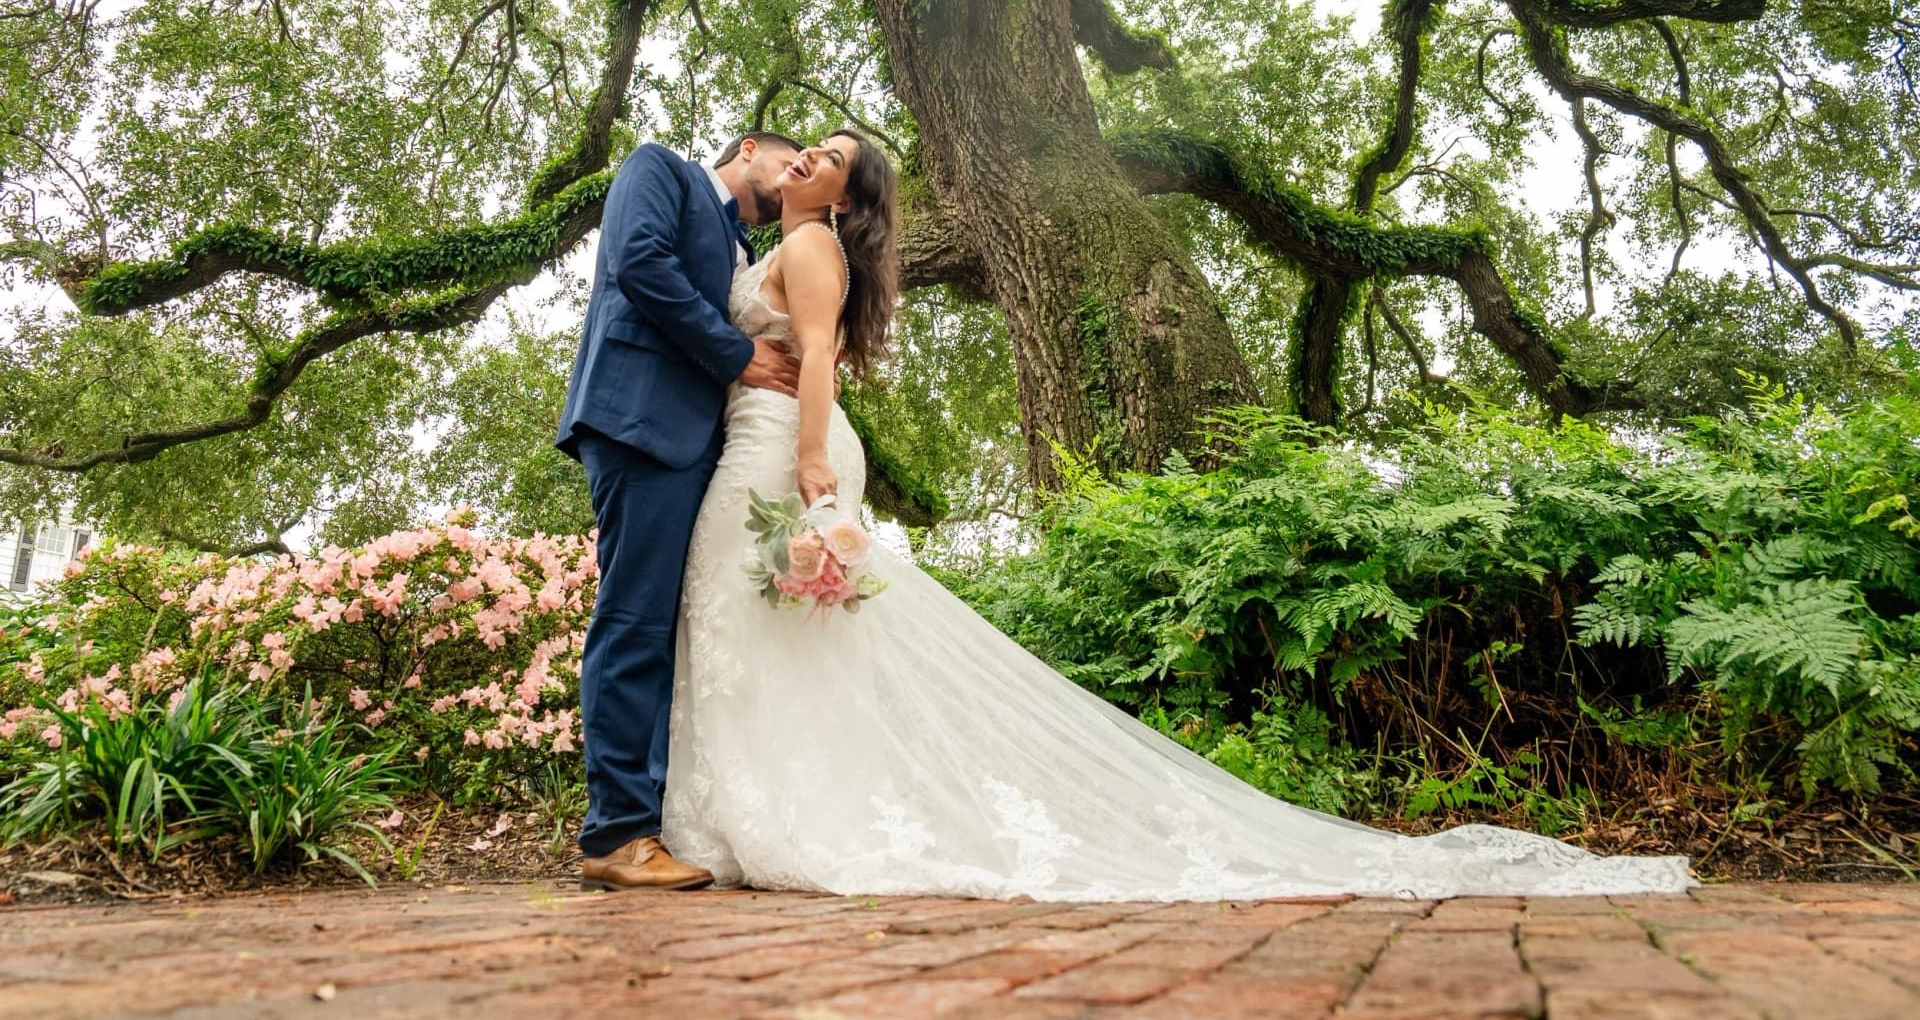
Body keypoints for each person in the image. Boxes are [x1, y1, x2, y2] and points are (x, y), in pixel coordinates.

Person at [659, 128, 1695, 899]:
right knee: (756, 621)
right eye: (805, 149)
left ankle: (768, 814)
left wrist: (811, 469)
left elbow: (822, 359)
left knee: (744, 605)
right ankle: (750, 808)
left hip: (780, 448)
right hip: (763, 435)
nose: (805, 159)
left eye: (829, 157)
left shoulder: (812, 253)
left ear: (849, 196)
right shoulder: (786, 246)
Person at [556, 130, 807, 891]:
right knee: (633, 620)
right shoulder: (658, 167)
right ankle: (617, 835)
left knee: (676, 630)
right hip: (640, 419)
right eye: (786, 165)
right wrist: (739, 356)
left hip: (703, 442)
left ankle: (657, 822)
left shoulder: (743, 243)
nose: (789, 182)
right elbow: (640, 263)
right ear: (750, 145)